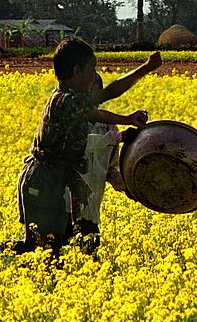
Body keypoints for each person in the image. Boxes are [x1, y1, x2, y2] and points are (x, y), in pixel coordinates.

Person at [13, 39, 162, 257]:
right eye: (92, 69)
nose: (95, 75)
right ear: (77, 71)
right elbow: (110, 92)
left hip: (55, 179)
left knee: (50, 250)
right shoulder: (64, 101)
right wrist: (145, 69)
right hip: (43, 181)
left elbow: (98, 113)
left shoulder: (73, 103)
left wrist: (127, 119)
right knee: (41, 250)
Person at [63, 74, 128, 255]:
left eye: (95, 92)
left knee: (90, 262)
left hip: (90, 211)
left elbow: (110, 170)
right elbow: (83, 144)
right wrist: (117, 138)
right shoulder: (69, 120)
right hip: (64, 208)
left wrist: (128, 186)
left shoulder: (109, 128)